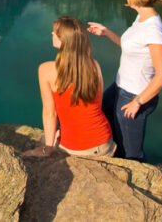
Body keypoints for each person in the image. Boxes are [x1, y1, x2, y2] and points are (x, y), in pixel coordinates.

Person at [87, 0, 162, 162]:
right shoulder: (142, 19)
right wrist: (106, 33)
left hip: (134, 95)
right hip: (119, 87)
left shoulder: (153, 30)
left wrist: (138, 102)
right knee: (105, 125)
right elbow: (133, 47)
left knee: (131, 151)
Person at [23, 16, 115, 158]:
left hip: (77, 148)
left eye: (55, 33)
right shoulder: (94, 65)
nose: (52, 34)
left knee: (44, 140)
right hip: (105, 143)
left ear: (63, 40)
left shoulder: (46, 70)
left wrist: (47, 148)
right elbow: (98, 105)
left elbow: (50, 114)